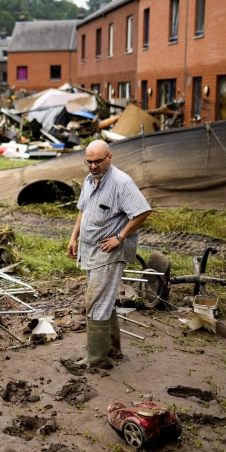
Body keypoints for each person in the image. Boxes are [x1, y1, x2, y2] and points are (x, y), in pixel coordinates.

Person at [67, 140, 151, 369]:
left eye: (98, 161)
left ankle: (96, 358)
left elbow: (142, 211)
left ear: (109, 157)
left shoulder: (121, 183)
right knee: (103, 299)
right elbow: (82, 210)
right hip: (90, 250)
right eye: (89, 161)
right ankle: (113, 349)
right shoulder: (89, 179)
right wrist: (74, 237)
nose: (93, 166)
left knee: (95, 301)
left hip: (109, 251)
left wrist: (120, 237)